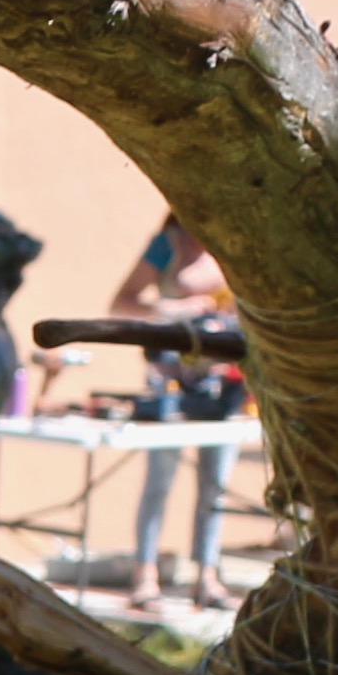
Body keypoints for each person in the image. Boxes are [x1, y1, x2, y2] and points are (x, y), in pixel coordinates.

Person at [108, 218, 239, 608]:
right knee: (160, 481)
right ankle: (145, 573)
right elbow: (122, 301)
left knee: (215, 484)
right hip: (171, 380)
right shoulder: (168, 244)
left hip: (220, 381)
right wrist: (177, 309)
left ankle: (208, 575)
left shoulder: (231, 240)